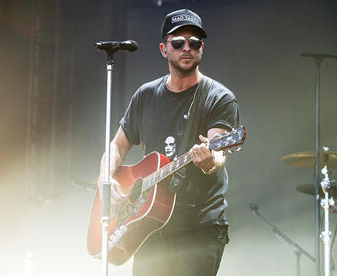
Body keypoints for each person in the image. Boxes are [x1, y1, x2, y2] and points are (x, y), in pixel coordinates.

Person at [96, 8, 240, 276]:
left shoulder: (219, 98)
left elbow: (218, 151)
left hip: (199, 228)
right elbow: (116, 146)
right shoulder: (146, 96)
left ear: (201, 49)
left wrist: (210, 160)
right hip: (149, 225)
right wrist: (106, 176)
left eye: (194, 42)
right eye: (178, 42)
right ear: (164, 49)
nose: (187, 47)